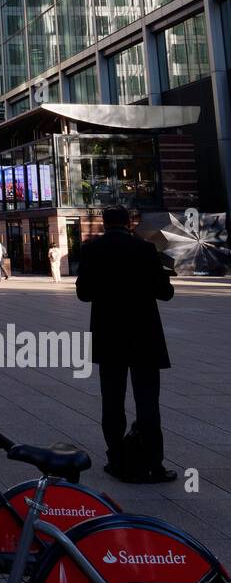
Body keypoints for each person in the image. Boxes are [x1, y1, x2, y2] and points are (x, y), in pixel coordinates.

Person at [76, 206, 177, 484]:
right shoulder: (145, 249)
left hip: (109, 337)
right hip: (144, 337)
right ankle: (155, 465)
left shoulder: (91, 250)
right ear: (129, 223)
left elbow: (84, 294)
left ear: (105, 224)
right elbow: (164, 293)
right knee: (148, 404)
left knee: (112, 402)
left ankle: (115, 459)